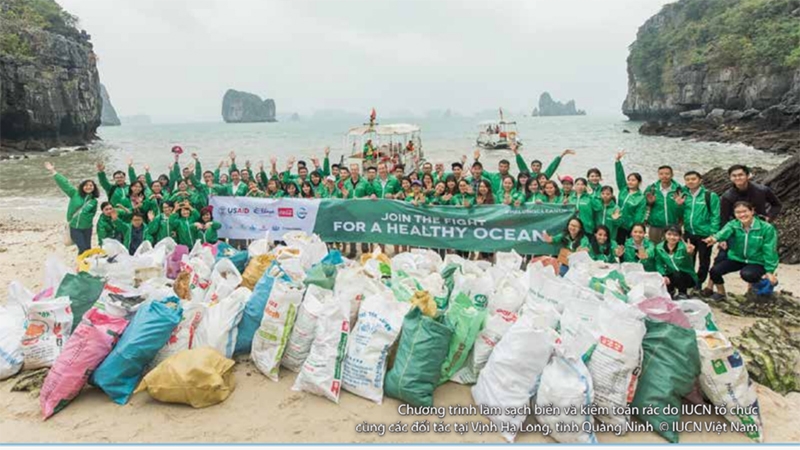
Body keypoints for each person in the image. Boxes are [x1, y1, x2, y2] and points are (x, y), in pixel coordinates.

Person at [705, 201, 779, 300]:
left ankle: (763, 284)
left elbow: (770, 250)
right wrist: (714, 238)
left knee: (747, 274)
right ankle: (721, 293)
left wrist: (770, 271)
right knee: (715, 271)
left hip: (756, 260)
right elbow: (724, 232)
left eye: (745, 211)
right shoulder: (733, 224)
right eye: (738, 212)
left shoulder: (766, 228)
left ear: (752, 211)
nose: (742, 215)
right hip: (737, 258)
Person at [678, 170, 720, 291]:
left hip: (704, 234)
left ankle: (699, 282)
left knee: (704, 260)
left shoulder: (709, 196)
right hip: (689, 232)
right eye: (687, 179)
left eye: (693, 179)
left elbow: (715, 215)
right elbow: (681, 215)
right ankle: (689, 280)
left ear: (700, 180)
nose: (690, 181)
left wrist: (713, 233)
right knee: (688, 258)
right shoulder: (684, 196)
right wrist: (678, 205)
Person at [46, 162, 98, 255]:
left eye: (91, 185)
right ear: (82, 187)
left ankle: (85, 266)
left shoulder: (94, 201)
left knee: (88, 248)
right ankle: (80, 267)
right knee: (82, 248)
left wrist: (87, 220)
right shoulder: (74, 194)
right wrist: (53, 171)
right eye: (86, 185)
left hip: (87, 228)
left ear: (94, 188)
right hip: (75, 227)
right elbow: (65, 184)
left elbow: (92, 214)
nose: (88, 187)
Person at [654, 225, 697, 299]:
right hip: (671, 274)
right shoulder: (659, 248)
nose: (672, 237)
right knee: (665, 279)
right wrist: (663, 275)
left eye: (675, 235)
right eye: (669, 234)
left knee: (677, 274)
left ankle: (683, 293)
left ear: (680, 237)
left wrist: (689, 253)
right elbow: (659, 263)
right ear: (665, 234)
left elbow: (688, 260)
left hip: (687, 276)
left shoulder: (684, 247)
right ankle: (671, 292)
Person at [614, 151, 646, 245]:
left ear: (639, 182)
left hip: (630, 227)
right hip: (618, 224)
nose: (630, 182)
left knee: (630, 247)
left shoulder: (641, 198)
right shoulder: (623, 190)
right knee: (619, 247)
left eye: (633, 180)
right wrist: (617, 162)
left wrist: (635, 229)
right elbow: (620, 177)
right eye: (629, 180)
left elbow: (639, 216)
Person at [645, 165, 682, 243]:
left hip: (673, 224)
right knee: (654, 247)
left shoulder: (678, 189)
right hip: (655, 225)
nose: (664, 176)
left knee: (671, 248)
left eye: (667, 174)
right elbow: (643, 206)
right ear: (658, 175)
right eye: (661, 174)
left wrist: (679, 205)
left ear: (672, 175)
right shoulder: (652, 188)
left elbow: (685, 207)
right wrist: (649, 202)